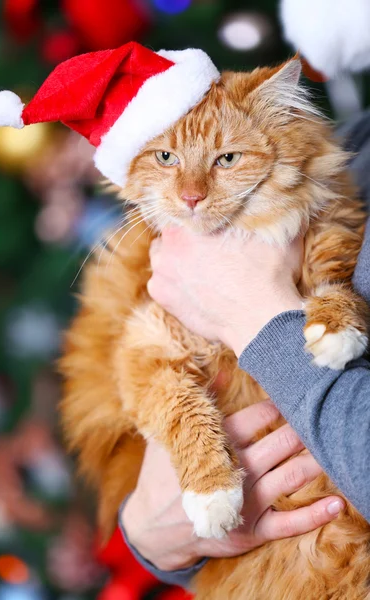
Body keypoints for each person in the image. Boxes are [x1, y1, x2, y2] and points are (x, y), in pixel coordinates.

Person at [120, 111, 370, 586]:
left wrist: (256, 315)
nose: (191, 189)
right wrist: (150, 535)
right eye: (168, 158)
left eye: (226, 158)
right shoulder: (359, 138)